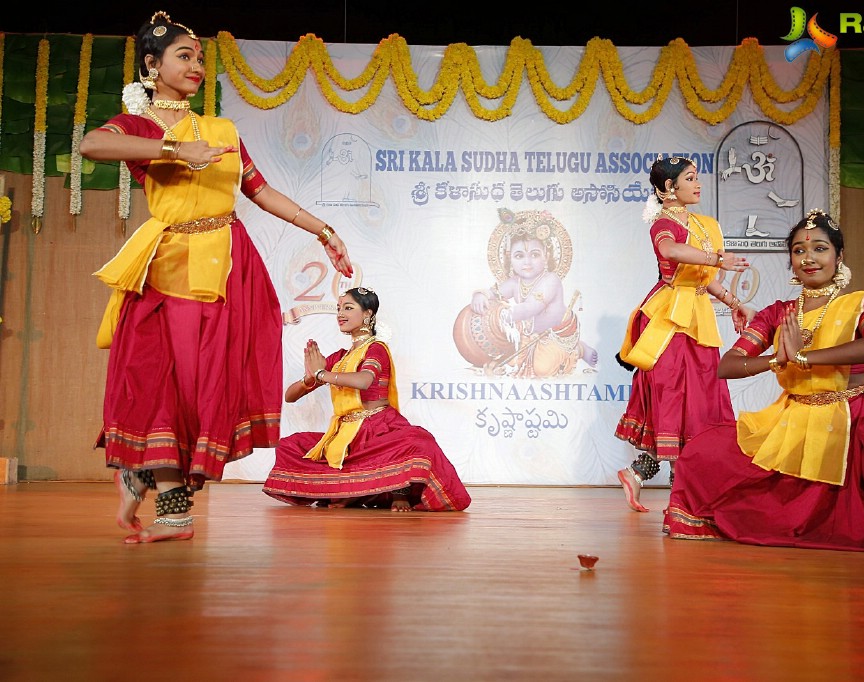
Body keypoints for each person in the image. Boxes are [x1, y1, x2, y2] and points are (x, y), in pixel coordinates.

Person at [80, 11, 354, 543]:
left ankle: (164, 498)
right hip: (166, 269)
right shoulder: (141, 126)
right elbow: (92, 145)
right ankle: (158, 490)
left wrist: (324, 230)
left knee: (204, 387)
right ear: (152, 66)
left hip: (228, 268)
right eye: (184, 56)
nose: (196, 66)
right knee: (162, 382)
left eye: (200, 58)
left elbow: (261, 190)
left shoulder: (221, 131)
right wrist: (174, 150)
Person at [663, 209, 864, 551]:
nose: (809, 259)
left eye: (820, 248)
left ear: (839, 256)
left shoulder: (863, 302)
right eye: (799, 251)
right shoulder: (777, 313)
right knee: (701, 452)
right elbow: (729, 365)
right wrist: (778, 358)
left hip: (861, 417)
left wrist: (804, 357)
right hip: (792, 419)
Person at [614, 156, 753, 512]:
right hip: (668, 318)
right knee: (674, 392)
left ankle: (645, 475)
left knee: (701, 395)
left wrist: (736, 302)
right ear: (667, 189)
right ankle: (683, 493)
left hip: (697, 318)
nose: (698, 184)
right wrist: (718, 259)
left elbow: (706, 282)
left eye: (696, 177)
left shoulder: (702, 225)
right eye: (689, 178)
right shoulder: (663, 223)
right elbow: (670, 251)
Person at [263, 288, 472, 512]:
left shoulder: (376, 348)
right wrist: (309, 377)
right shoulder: (340, 358)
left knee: (417, 441)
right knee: (290, 445)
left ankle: (396, 492)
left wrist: (322, 374)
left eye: (348, 307)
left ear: (367, 314)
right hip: (344, 434)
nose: (340, 314)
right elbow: (290, 396)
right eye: (339, 308)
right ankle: (349, 492)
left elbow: (364, 381)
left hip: (379, 428)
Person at [459, 208, 597, 377]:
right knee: (510, 365)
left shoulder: (551, 280)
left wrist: (503, 316)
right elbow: (494, 293)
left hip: (557, 334)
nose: (527, 262)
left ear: (546, 256)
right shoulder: (514, 282)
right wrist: (481, 295)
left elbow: (532, 307)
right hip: (530, 334)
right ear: (510, 258)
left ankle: (577, 349)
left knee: (542, 370)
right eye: (519, 256)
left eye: (534, 254)